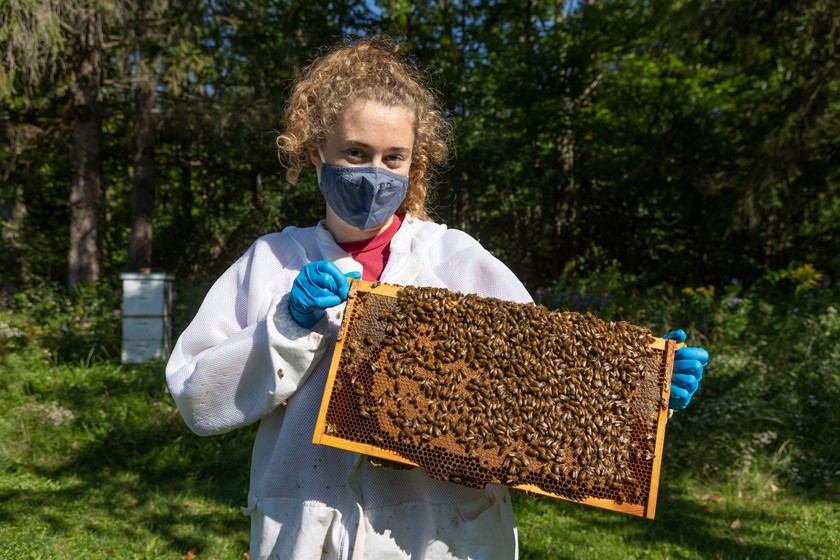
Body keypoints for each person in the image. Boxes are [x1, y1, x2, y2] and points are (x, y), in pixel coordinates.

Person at [165, 36, 708, 560]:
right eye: (355, 153)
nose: (374, 173)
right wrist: (286, 324)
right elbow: (196, 397)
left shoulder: (454, 258)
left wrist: (643, 391)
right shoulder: (272, 262)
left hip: (447, 536)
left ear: (412, 164)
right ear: (316, 151)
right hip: (310, 530)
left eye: (393, 157)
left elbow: (546, 385)